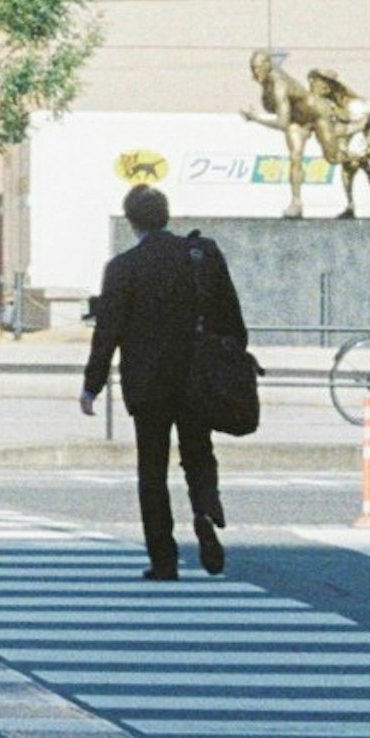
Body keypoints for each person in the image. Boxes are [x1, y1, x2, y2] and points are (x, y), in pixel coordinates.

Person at [82, 182, 245, 580]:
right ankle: (205, 510)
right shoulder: (201, 255)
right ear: (167, 215)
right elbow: (231, 316)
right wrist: (230, 356)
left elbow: (108, 331)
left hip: (149, 382)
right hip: (197, 376)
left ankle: (164, 559)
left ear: (131, 221)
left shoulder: (123, 267)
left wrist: (92, 384)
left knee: (152, 470)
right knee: (198, 452)